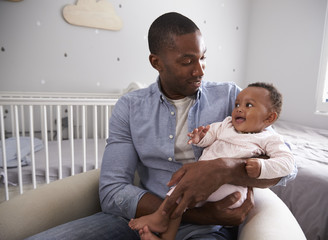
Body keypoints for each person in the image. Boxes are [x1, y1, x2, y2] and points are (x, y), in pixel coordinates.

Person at [26, 12, 296, 240]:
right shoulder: (129, 107)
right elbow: (112, 191)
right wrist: (197, 214)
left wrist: (224, 168)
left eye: (203, 57)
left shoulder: (231, 98)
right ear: (156, 62)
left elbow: (282, 169)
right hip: (142, 217)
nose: (200, 70)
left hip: (207, 230)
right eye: (187, 61)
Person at [128, 82, 295, 240]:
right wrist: (200, 138)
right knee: (179, 192)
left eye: (248, 105)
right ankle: (166, 235)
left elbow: (287, 163)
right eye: (237, 104)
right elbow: (210, 135)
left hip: (230, 191)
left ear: (269, 118)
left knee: (183, 191)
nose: (239, 109)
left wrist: (263, 167)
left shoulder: (269, 138)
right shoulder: (226, 124)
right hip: (201, 181)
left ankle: (159, 218)